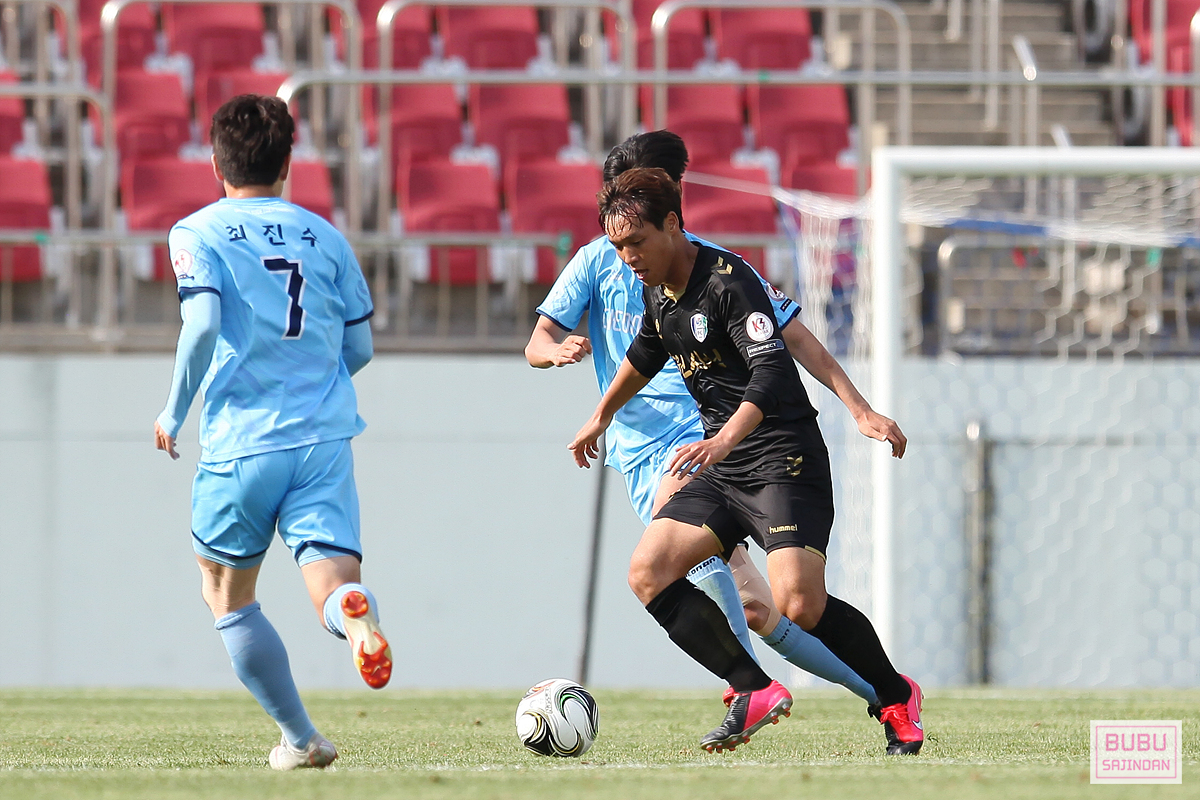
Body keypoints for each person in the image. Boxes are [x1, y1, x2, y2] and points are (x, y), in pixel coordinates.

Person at [526, 131, 901, 710]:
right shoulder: (602, 260)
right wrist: (569, 372)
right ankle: (876, 694)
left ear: (669, 200)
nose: (628, 235)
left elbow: (790, 339)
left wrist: (859, 407)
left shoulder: (719, 270)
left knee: (731, 577)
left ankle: (754, 692)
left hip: (707, 436)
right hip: (639, 448)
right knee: (760, 609)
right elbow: (551, 344)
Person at [153, 94, 392, 770]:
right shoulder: (326, 237)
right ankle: (351, 613)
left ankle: (302, 738)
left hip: (243, 442)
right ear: (288, 162)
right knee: (332, 580)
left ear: (214, 161)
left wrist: (173, 411)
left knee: (227, 597)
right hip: (322, 441)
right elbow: (360, 347)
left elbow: (202, 324)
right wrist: (312, 382)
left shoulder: (196, 232)